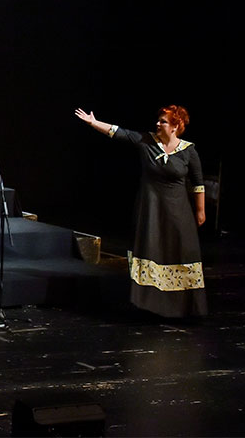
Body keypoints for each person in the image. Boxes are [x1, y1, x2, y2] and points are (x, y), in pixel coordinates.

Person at [74, 105, 207, 318]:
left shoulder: (188, 151)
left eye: (163, 121)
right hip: (151, 211)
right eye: (159, 120)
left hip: (178, 212)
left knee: (179, 252)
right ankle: (153, 306)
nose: (158, 123)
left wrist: (200, 211)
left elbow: (198, 184)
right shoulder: (147, 141)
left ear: (175, 127)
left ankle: (183, 308)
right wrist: (94, 123)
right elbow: (119, 133)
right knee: (152, 250)